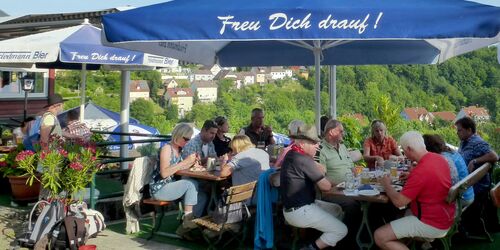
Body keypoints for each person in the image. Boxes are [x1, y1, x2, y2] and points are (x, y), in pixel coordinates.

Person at [374, 131, 455, 249]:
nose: (404, 154)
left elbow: (399, 202)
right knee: (398, 215)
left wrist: (386, 185)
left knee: (379, 236)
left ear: (409, 149)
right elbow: (430, 178)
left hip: (431, 223)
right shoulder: (439, 159)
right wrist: (411, 174)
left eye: (404, 151)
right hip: (445, 215)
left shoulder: (420, 171)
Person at [280, 124, 347, 249]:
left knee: (337, 210)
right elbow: (325, 187)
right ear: (301, 143)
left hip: (292, 209)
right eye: (313, 142)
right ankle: (311, 247)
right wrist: (322, 171)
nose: (317, 145)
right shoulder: (304, 159)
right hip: (300, 211)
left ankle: (327, 241)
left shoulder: (292, 154)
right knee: (341, 230)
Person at [149, 123, 200, 237]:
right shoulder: (167, 149)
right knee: (191, 184)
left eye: (189, 139)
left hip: (169, 185)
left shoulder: (178, 150)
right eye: (186, 139)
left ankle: (188, 224)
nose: (187, 142)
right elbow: (164, 173)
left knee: (197, 186)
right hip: (159, 188)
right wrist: (184, 162)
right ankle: (187, 220)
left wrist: (192, 163)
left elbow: (179, 168)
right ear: (179, 135)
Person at [455, 117, 498, 234]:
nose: (457, 133)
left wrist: (475, 161)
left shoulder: (477, 142)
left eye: (459, 130)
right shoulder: (464, 142)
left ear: (469, 130)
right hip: (469, 182)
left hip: (476, 187)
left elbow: (494, 156)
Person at [423, 134, 474, 206]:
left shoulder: (442, 159)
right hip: (467, 192)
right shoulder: (452, 152)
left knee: (425, 197)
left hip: (460, 197)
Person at [319, 119, 353, 184]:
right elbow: (321, 178)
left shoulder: (343, 147)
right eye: (341, 131)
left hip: (350, 187)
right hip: (334, 191)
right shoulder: (320, 150)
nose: (343, 134)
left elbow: (352, 167)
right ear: (331, 132)